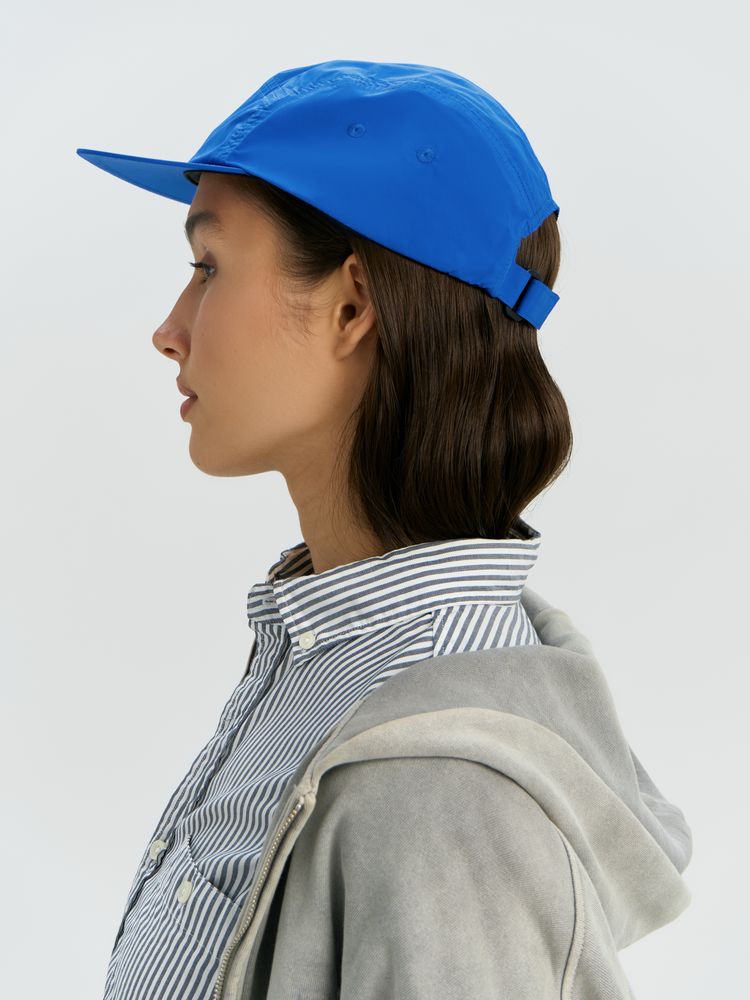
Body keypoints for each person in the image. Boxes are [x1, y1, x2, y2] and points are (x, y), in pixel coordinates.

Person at [77, 59, 693, 1000]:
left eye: (208, 267)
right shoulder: (325, 665)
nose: (170, 328)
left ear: (353, 306)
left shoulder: (440, 790)